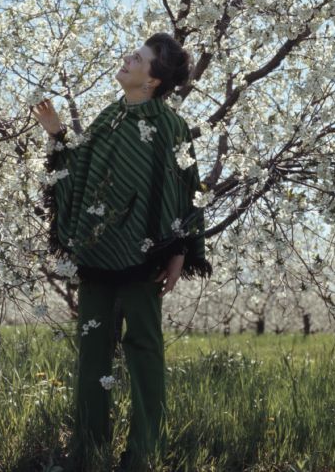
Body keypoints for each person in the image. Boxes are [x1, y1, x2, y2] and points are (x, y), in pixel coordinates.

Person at [31, 32, 212, 471]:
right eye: (133, 54)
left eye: (139, 58)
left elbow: (188, 189)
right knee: (93, 349)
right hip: (98, 255)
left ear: (153, 79)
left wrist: (179, 253)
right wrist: (56, 135)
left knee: (144, 349)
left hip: (146, 257)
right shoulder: (108, 117)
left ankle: (143, 453)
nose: (128, 60)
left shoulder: (172, 127)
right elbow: (80, 170)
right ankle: (88, 449)